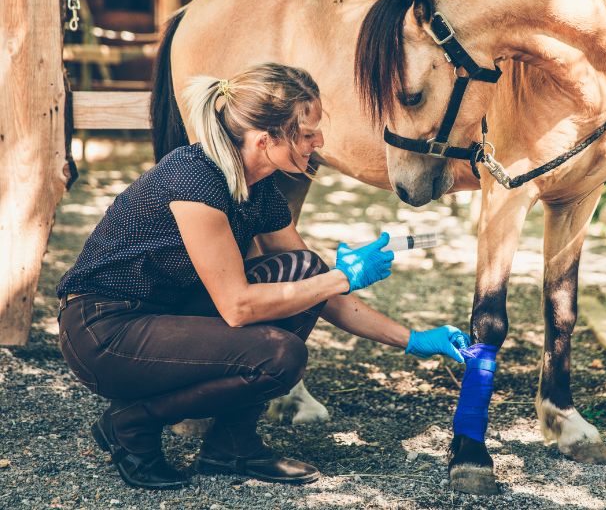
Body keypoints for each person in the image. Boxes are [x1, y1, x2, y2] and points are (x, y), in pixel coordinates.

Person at [56, 63, 469, 490]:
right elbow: (238, 308)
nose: (320, 142)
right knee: (280, 357)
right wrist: (342, 277)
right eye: (307, 134)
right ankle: (132, 424)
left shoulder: (258, 187)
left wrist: (414, 339)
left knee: (305, 267)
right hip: (103, 331)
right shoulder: (195, 181)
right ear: (264, 140)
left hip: (163, 317)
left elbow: (316, 287)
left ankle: (230, 446)